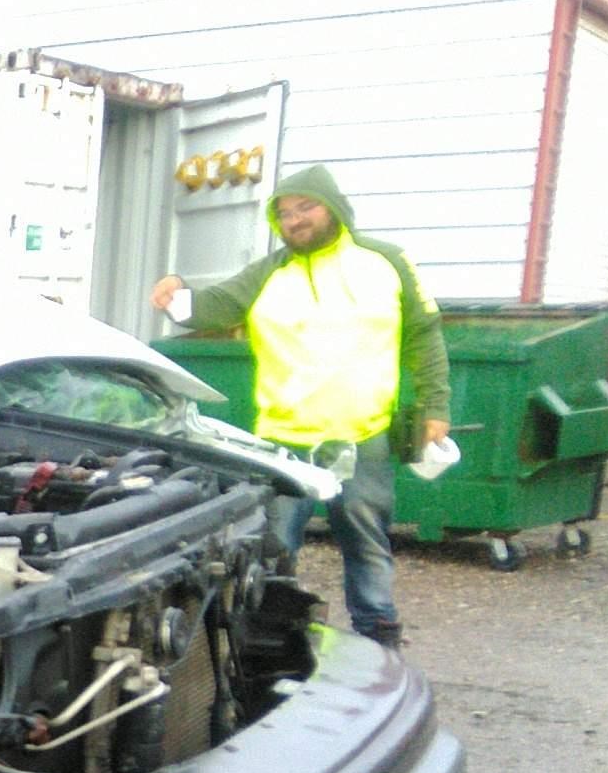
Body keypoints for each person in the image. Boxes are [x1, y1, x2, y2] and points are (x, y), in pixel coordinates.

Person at [151, 165, 449, 650]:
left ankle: (380, 638)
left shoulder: (388, 262)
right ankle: (265, 642)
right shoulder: (268, 273)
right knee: (271, 550)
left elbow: (424, 335)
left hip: (363, 436)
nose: (295, 220)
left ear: (332, 207)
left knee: (366, 544)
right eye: (285, 214)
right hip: (284, 443)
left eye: (305, 207)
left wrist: (436, 405)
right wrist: (174, 291)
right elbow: (208, 307)